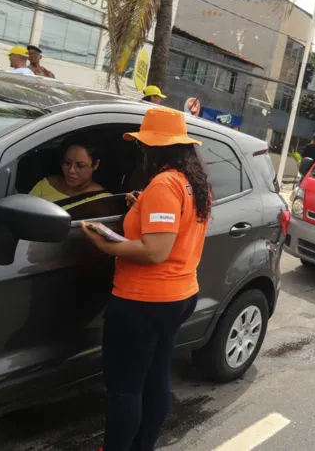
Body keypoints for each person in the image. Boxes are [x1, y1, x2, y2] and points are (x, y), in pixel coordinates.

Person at [81, 107, 211, 451]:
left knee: (125, 388)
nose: (141, 151)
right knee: (154, 379)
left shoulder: (163, 185)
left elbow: (155, 251)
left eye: (144, 146)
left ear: (153, 148)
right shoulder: (191, 184)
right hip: (179, 296)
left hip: (144, 301)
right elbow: (172, 227)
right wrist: (142, 207)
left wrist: (105, 242)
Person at [29, 137, 110, 210]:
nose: (71, 170)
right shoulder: (47, 184)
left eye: (80, 166)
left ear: (96, 165)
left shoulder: (102, 200)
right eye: (67, 163)